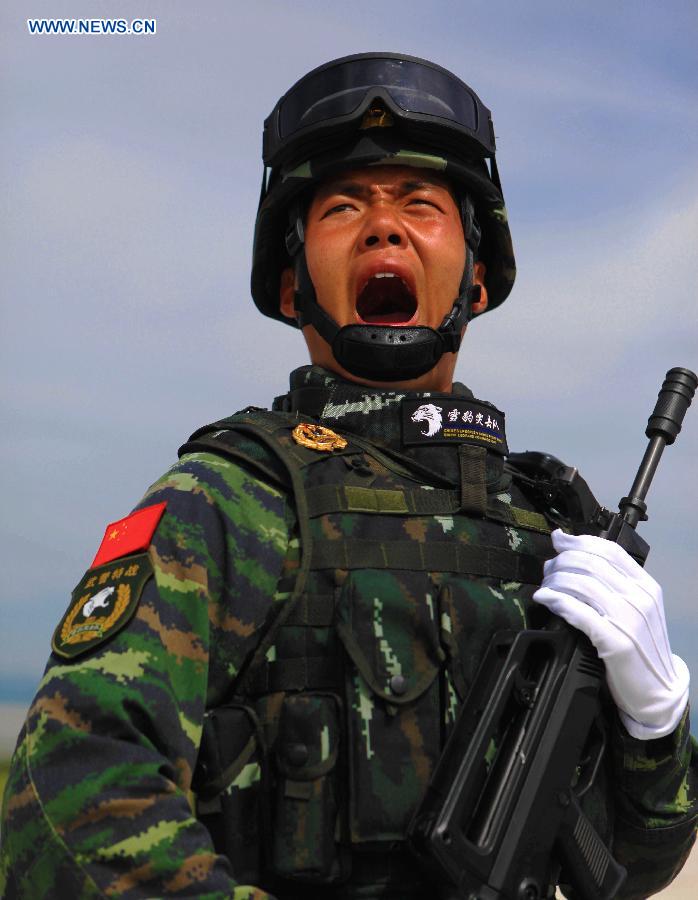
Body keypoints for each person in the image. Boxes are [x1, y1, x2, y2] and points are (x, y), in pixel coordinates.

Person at [1, 52, 696, 900]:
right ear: (293, 285)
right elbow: (65, 803)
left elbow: (634, 867)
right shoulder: (229, 501)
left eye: (422, 205)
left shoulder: (551, 533)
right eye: (342, 206)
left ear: (476, 278)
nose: (383, 227)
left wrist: (655, 728)